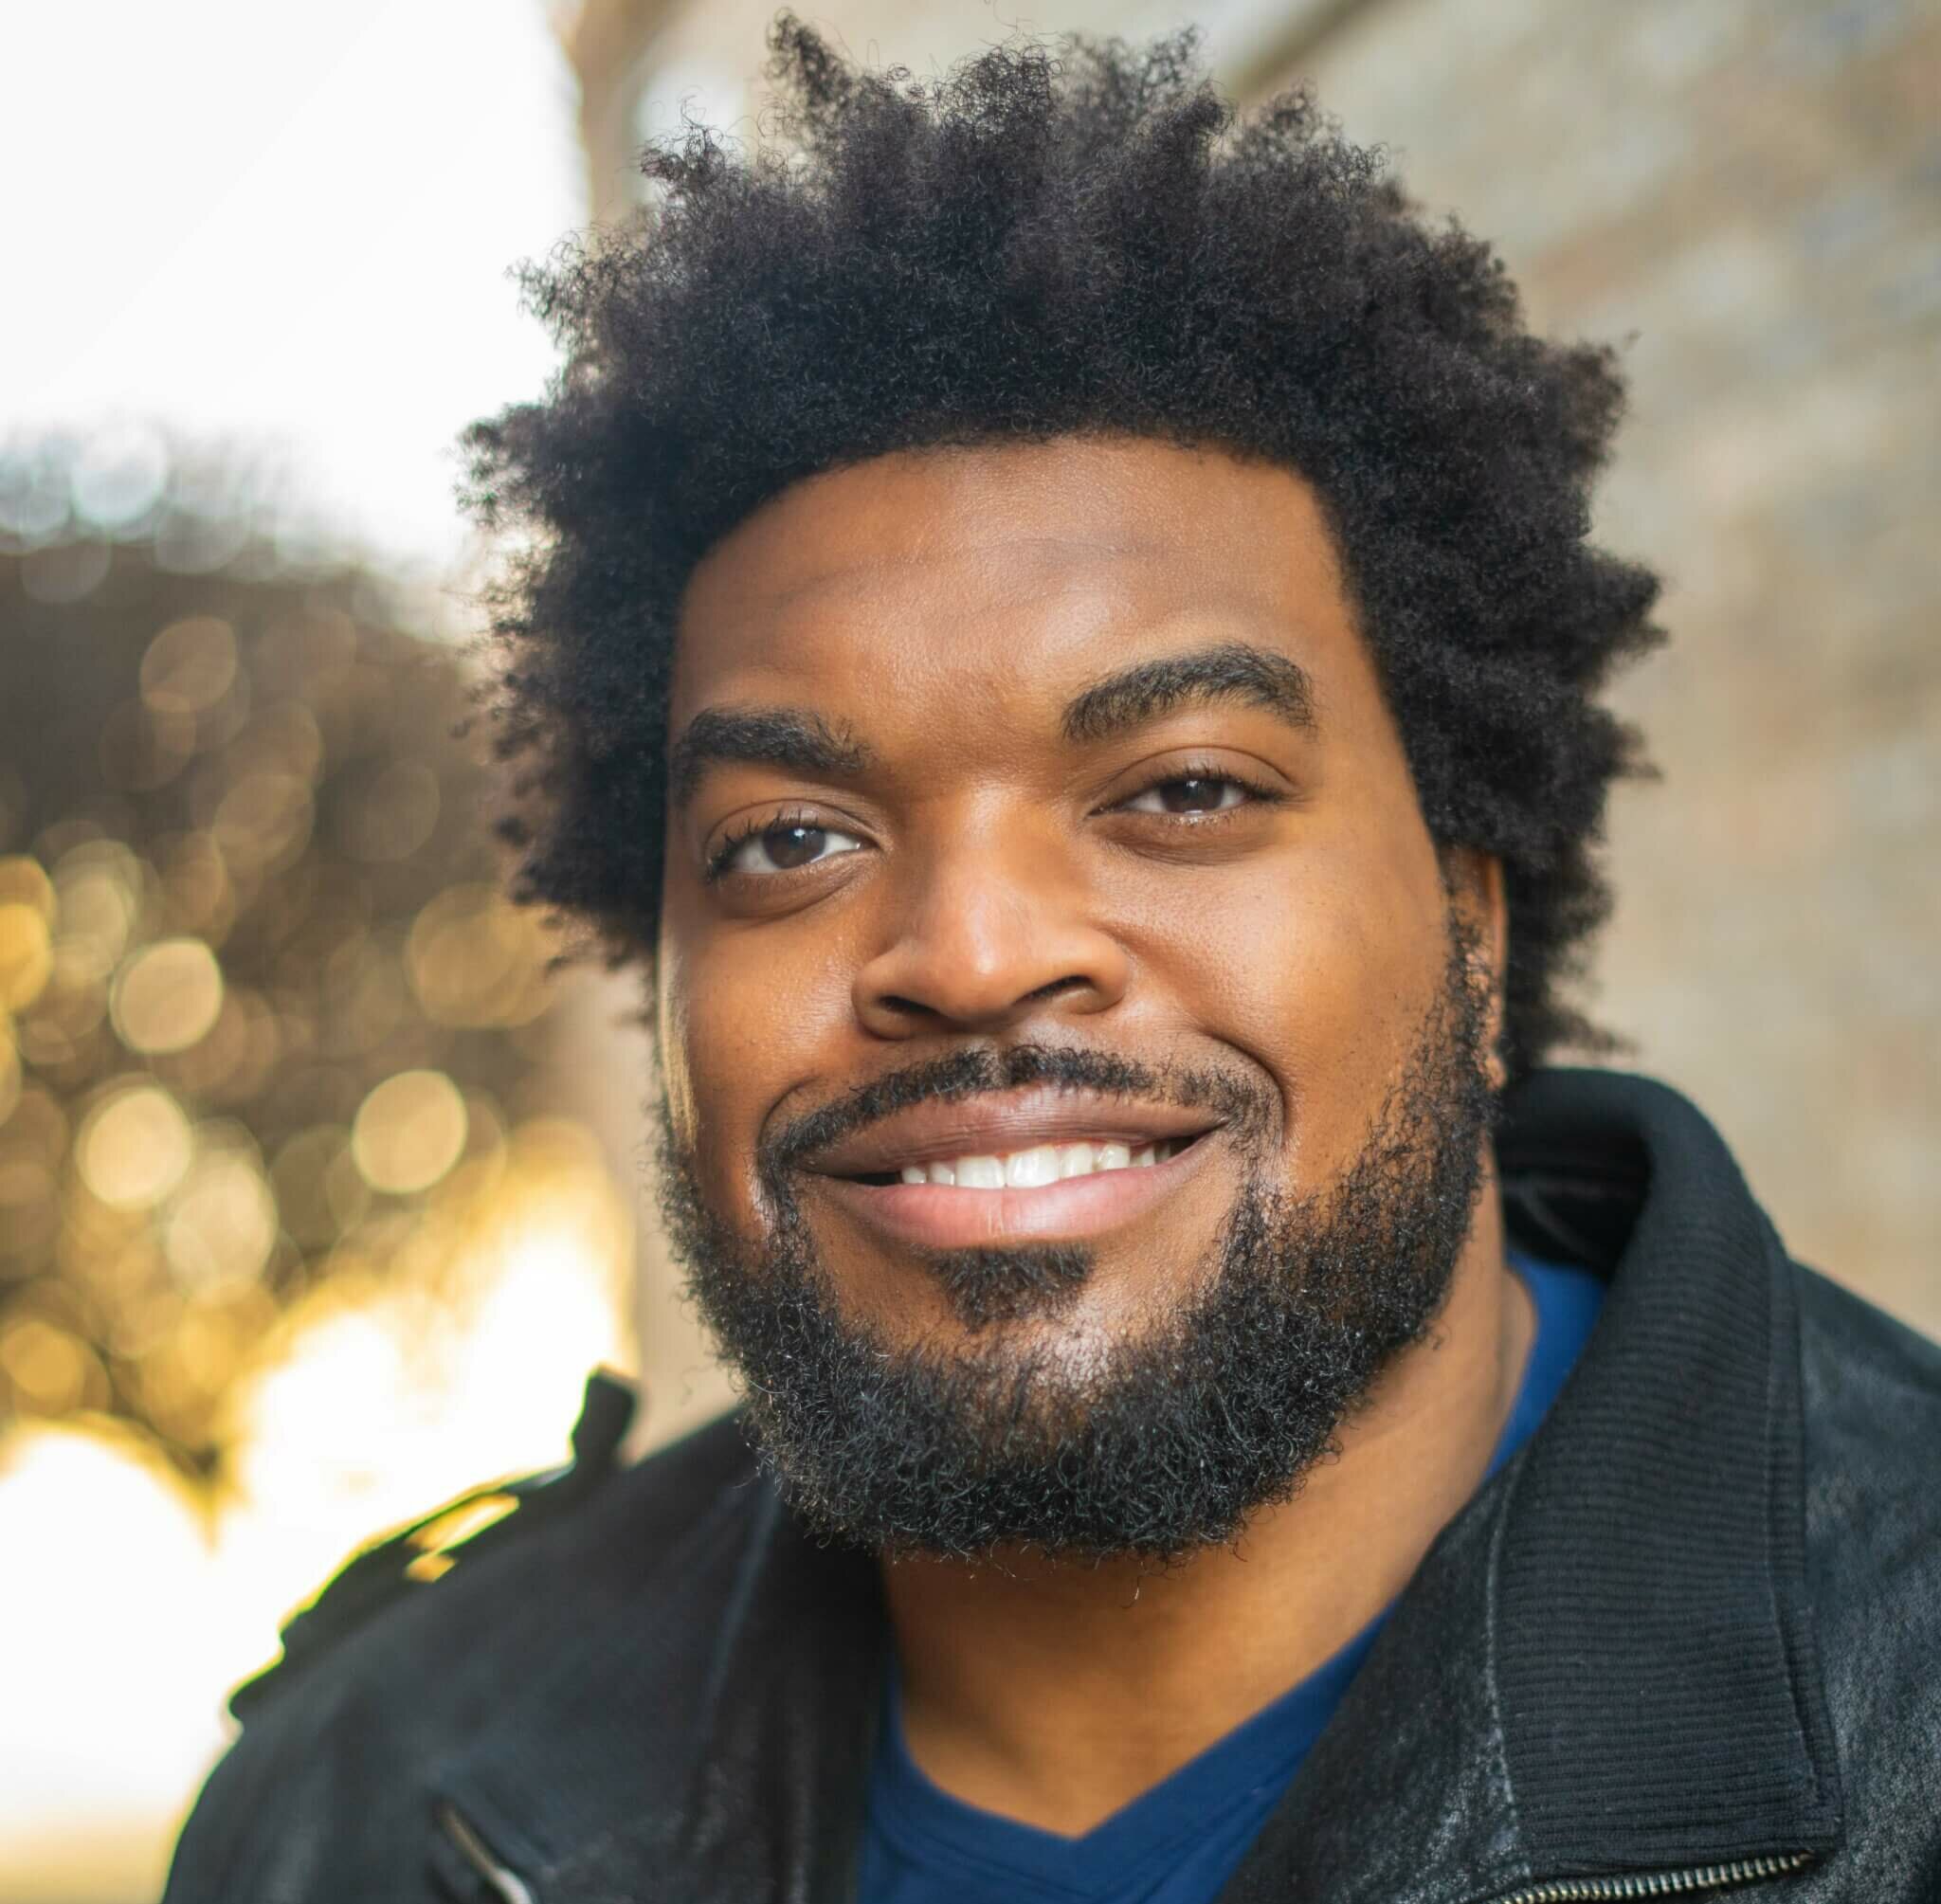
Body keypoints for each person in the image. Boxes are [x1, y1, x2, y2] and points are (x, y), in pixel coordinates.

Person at [163, 21, 1941, 1902]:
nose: (976, 950)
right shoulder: (360, 1812)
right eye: (788, 841)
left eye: (1179, 788)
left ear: (1469, 915)